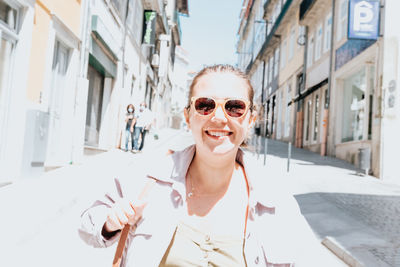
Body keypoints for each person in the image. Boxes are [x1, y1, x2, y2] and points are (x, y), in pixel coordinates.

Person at [79, 65, 334, 266]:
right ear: (188, 116)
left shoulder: (275, 201)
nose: (219, 117)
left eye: (234, 107)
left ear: (250, 119)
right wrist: (110, 221)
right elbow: (87, 225)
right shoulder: (150, 177)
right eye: (205, 105)